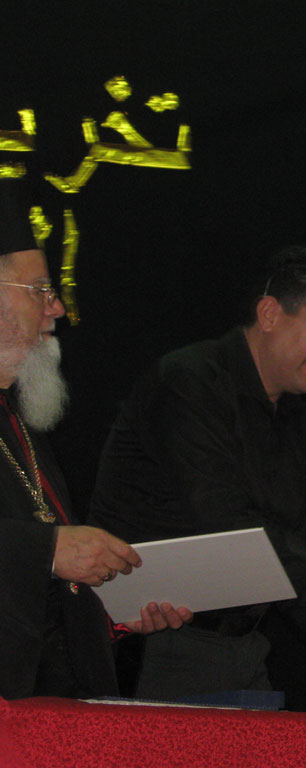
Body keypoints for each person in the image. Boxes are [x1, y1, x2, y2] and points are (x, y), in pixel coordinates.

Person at [90, 246, 306, 704]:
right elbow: (228, 528)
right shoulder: (187, 382)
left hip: (243, 651)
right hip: (151, 648)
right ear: (269, 314)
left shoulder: (300, 427)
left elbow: (293, 563)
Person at [0, 179, 189, 700]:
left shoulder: (19, 422)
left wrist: (113, 612)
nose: (57, 308)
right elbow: (39, 556)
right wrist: (48, 549)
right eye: (40, 290)